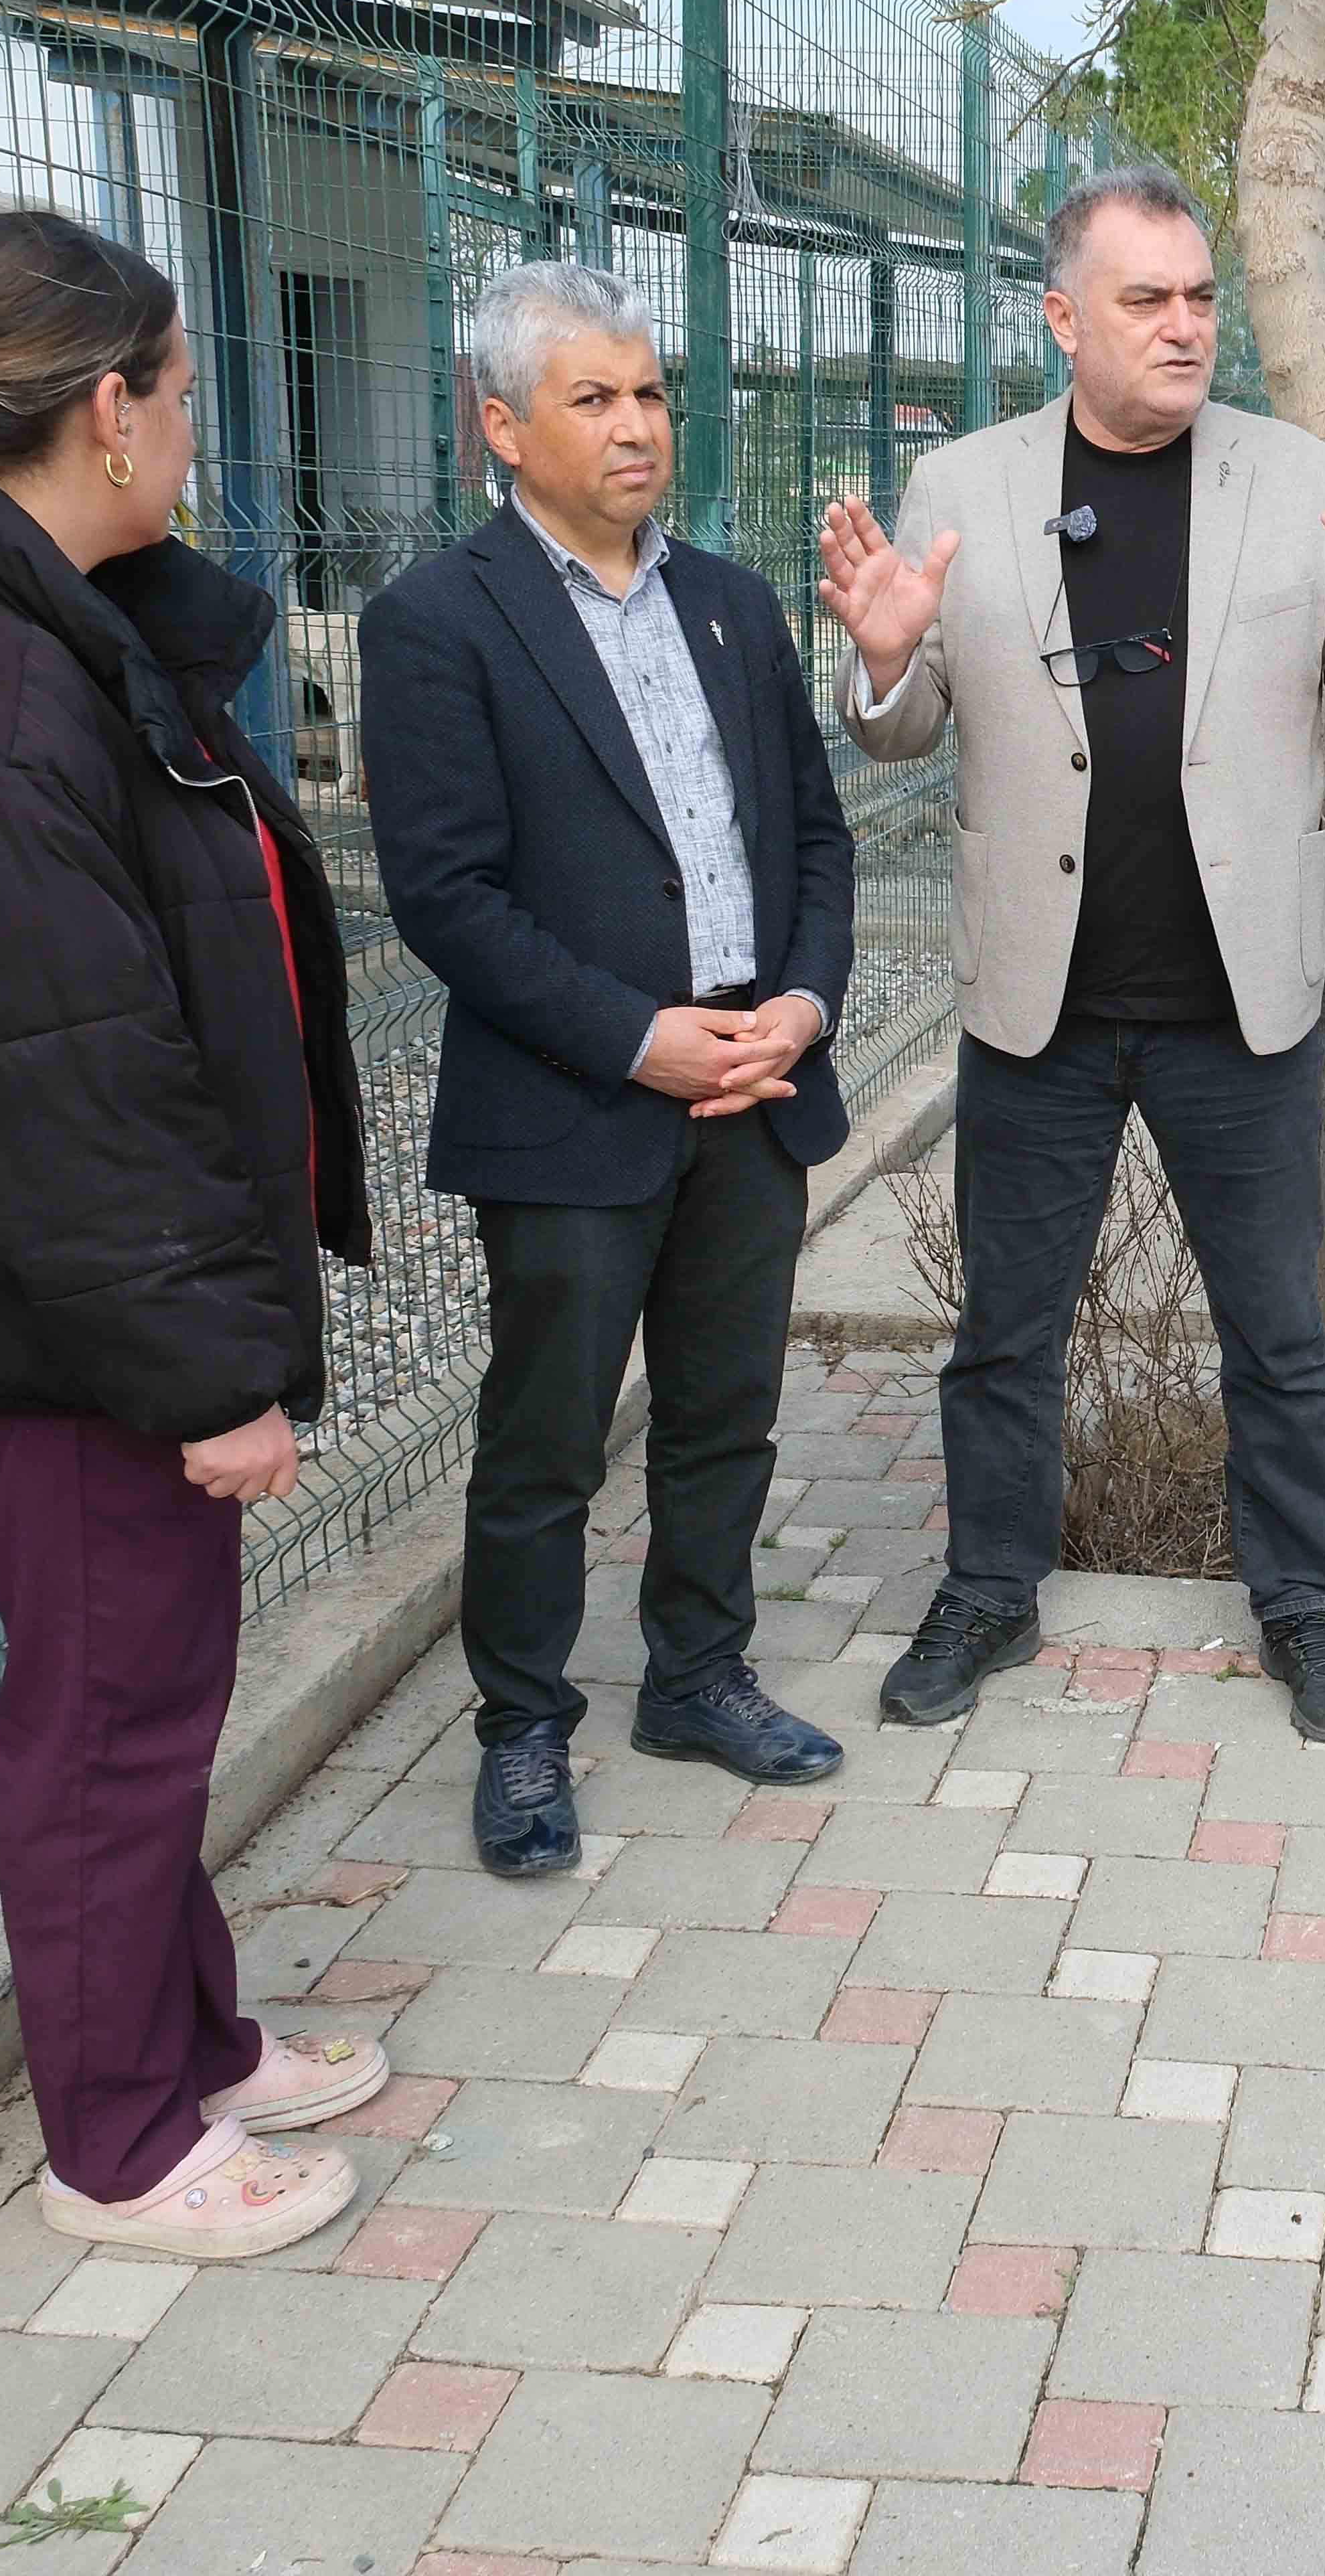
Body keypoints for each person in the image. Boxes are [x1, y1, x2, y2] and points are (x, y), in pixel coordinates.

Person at [0, 210, 381, 2260]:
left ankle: (188, 2039)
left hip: (74, 1300)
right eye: (183, 394)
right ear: (109, 411)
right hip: (64, 1321)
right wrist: (207, 1375)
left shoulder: (42, 630)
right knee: (110, 1721)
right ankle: (118, 2145)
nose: (198, 431)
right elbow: (58, 1085)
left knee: (143, 1693)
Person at [818, 164, 1325, 1745]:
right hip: (1038, 1000)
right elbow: (902, 726)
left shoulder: (1298, 476)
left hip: (1242, 1004)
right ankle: (990, 1588)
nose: (1188, 325)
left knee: (1283, 1340)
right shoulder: (963, 486)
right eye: (1148, 300)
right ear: (1064, 319)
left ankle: (1301, 1607)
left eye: (1201, 296)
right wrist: (881, 662)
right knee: (1006, 1335)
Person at [364, 262, 860, 1878]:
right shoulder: (439, 620)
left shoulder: (733, 605)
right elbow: (447, 894)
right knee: (548, 1443)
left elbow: (815, 838)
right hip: (577, 1099)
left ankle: (699, 1677)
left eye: (650, 392)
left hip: (754, 1083)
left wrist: (802, 1004)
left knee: (727, 1415)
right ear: (504, 428)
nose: (639, 424)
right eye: (596, 398)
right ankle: (523, 1724)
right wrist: (637, 1037)